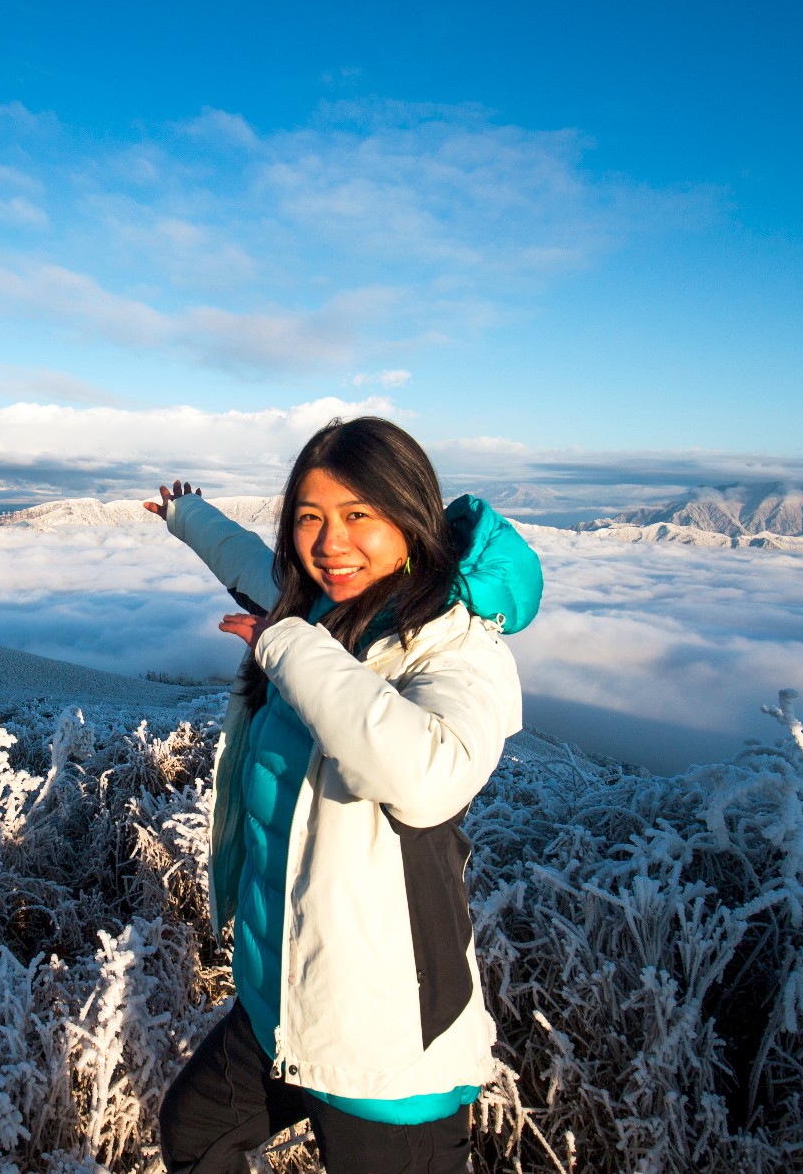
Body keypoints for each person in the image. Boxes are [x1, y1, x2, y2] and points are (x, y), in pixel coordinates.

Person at [145, 416, 542, 1174]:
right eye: (309, 518)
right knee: (195, 1133)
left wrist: (285, 644)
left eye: (359, 515)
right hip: (285, 1003)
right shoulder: (320, 602)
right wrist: (185, 514)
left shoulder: (453, 642)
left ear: (410, 515)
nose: (330, 543)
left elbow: (425, 776)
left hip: (383, 1043)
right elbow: (245, 562)